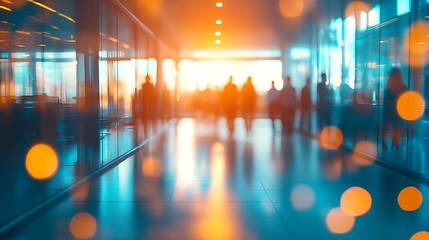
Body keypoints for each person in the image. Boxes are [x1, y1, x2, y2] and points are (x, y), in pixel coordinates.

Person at [382, 67, 406, 150]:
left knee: (390, 126)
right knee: (395, 126)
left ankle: (390, 142)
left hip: (390, 111)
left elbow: (386, 101)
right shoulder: (402, 87)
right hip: (395, 112)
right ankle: (394, 143)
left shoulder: (388, 88)